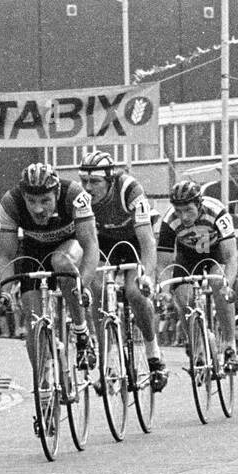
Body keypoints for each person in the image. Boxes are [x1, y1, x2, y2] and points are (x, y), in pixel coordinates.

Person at [0, 163, 98, 400]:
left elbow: (90, 245)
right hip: (33, 251)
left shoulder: (74, 194)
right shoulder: (10, 202)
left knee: (61, 262)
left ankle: (82, 333)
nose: (38, 209)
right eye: (31, 201)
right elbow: (6, 255)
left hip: (70, 247)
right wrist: (4, 290)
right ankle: (45, 381)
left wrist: (82, 283)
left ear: (57, 194)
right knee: (33, 321)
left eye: (45, 201)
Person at [77, 151, 166, 389]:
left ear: (110, 180)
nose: (87, 188)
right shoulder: (81, 197)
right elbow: (85, 244)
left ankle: (153, 355)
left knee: (135, 292)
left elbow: (147, 242)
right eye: (83, 181)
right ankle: (108, 367)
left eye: (94, 182)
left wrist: (146, 276)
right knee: (97, 288)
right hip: (104, 244)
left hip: (133, 241)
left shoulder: (129, 189)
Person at [156, 180, 238, 374]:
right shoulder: (169, 221)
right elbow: (164, 264)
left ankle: (229, 345)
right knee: (183, 299)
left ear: (199, 205)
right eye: (179, 211)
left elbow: (231, 257)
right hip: (187, 257)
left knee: (219, 284)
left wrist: (228, 285)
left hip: (215, 254)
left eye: (188, 210)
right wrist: (165, 291)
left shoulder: (217, 212)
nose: (183, 216)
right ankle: (197, 345)